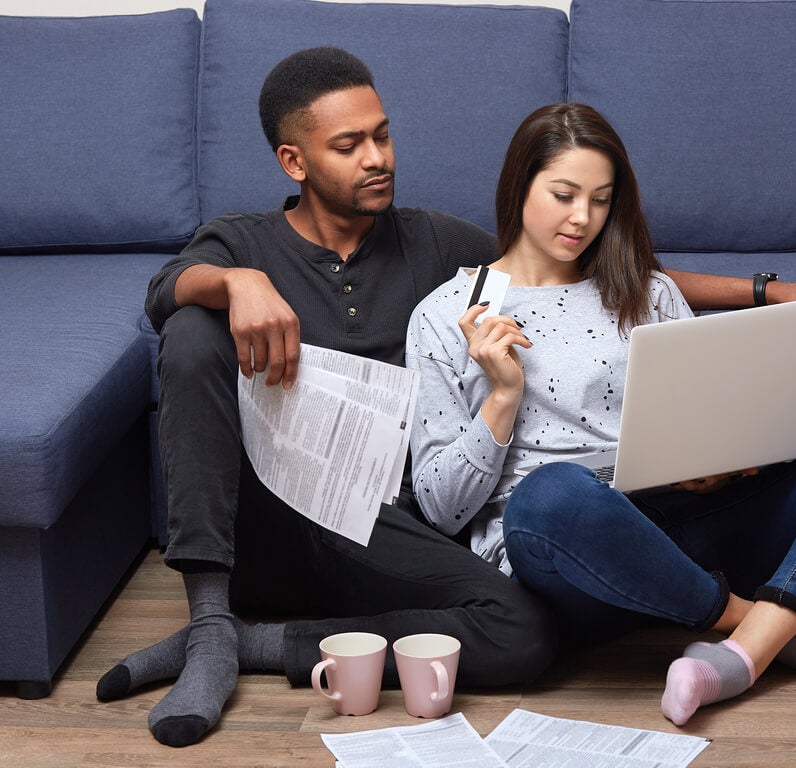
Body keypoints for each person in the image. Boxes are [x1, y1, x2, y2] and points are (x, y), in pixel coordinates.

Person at [405, 103, 796, 727]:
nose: (582, 218)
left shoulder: (648, 290)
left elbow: (702, 420)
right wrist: (501, 398)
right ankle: (768, 628)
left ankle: (746, 648)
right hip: (573, 558)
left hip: (689, 529)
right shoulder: (445, 316)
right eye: (563, 195)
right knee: (551, 495)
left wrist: (720, 462)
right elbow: (443, 509)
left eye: (601, 200)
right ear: (518, 185)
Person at [95, 47, 560, 748]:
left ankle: (249, 645)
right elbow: (164, 292)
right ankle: (211, 617)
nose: (377, 158)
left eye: (383, 135)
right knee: (192, 329)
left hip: (382, 533)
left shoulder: (432, 242)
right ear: (295, 161)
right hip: (267, 533)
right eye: (349, 146)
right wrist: (239, 283)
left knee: (524, 630)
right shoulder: (243, 241)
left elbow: (566, 268)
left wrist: (741, 293)